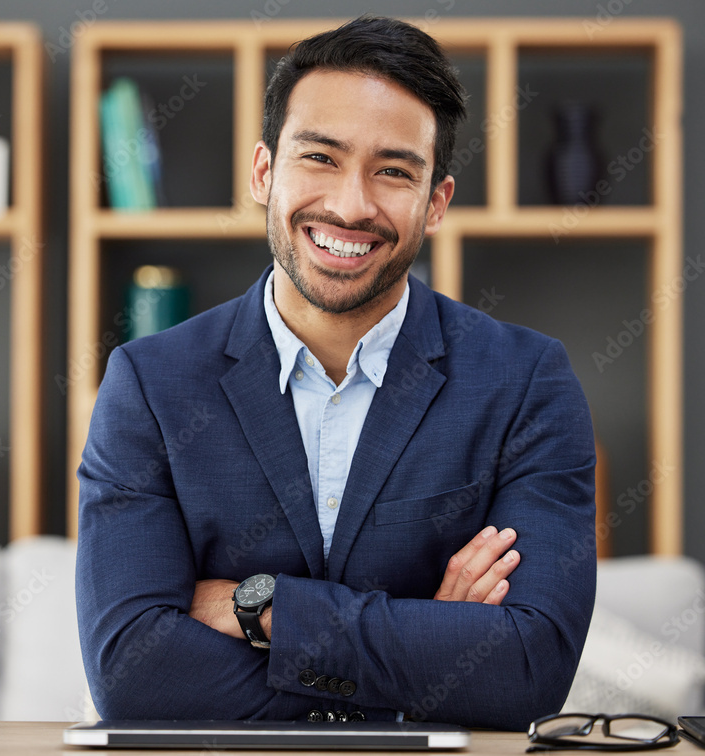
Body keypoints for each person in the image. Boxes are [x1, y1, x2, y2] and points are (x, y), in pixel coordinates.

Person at [75, 15, 595, 731]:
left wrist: (260, 608)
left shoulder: (526, 384)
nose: (351, 206)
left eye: (393, 171)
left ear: (435, 202)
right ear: (264, 172)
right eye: (320, 157)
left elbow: (529, 673)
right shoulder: (149, 386)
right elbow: (131, 675)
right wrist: (426, 648)